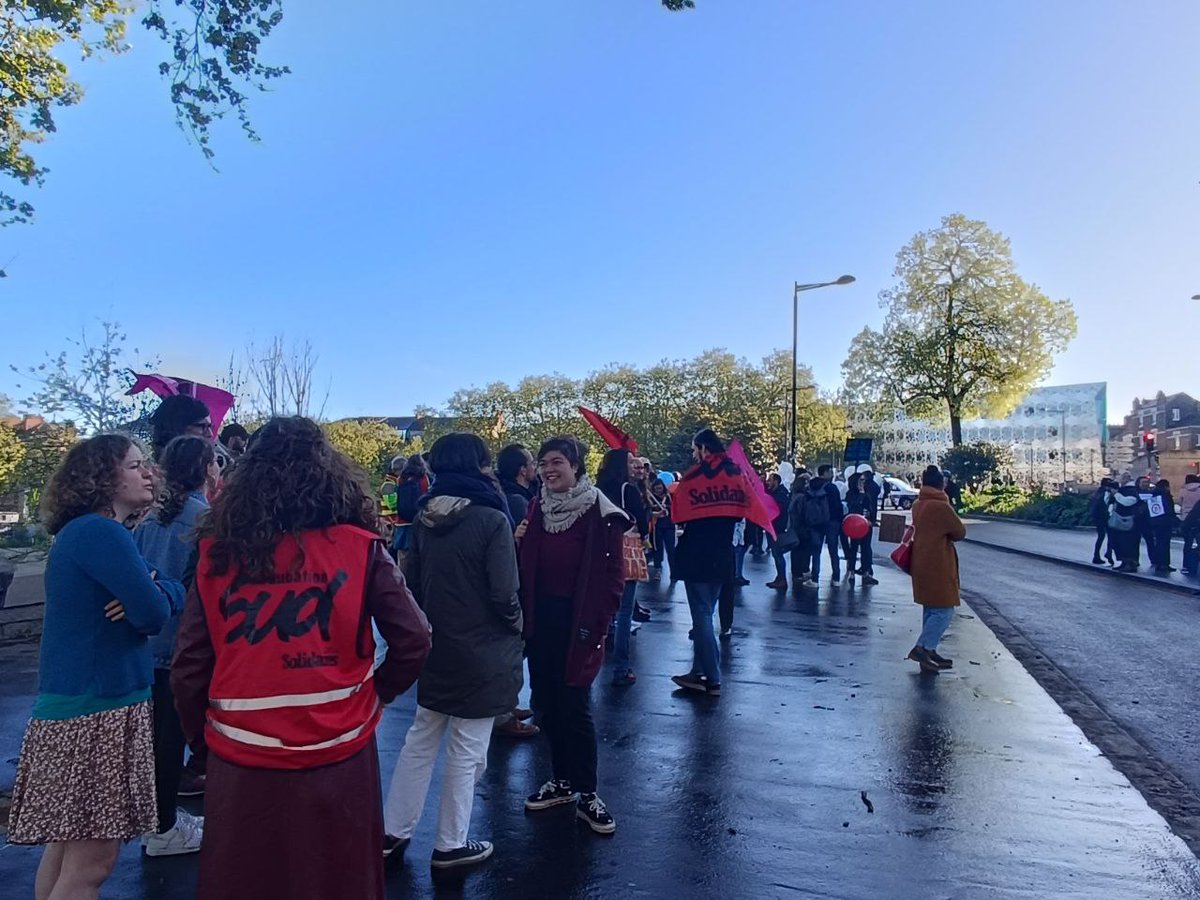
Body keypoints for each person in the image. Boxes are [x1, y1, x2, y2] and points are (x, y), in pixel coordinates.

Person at [171, 417, 432, 900]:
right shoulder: (361, 548)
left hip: (242, 756)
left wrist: (202, 744)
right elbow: (414, 637)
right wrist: (376, 695)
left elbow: (189, 665)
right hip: (341, 749)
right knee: (340, 877)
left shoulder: (216, 553)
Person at [8, 434, 186, 898]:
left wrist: (157, 589)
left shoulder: (89, 533)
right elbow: (150, 614)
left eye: (147, 463)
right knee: (92, 864)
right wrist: (155, 593)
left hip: (80, 707)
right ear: (102, 478)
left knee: (66, 852)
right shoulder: (101, 533)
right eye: (134, 466)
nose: (148, 472)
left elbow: (157, 594)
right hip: (97, 713)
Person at [382, 434, 523, 869]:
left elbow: (415, 584)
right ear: (478, 464)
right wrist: (519, 625)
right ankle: (450, 843)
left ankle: (392, 832)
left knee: (420, 739)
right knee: (468, 748)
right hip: (484, 650)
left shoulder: (425, 515)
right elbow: (505, 593)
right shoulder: (491, 519)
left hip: (438, 644)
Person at [517, 436, 625, 835]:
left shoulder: (599, 510)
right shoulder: (537, 508)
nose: (548, 469)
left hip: (580, 621)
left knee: (576, 704)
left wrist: (600, 621)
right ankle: (561, 781)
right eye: (543, 462)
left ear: (576, 466)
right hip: (541, 620)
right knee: (547, 702)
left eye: (557, 462)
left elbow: (615, 577)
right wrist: (518, 541)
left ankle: (588, 793)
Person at [133, 435, 220, 857]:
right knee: (172, 743)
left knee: (157, 743)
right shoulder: (204, 520)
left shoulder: (150, 520)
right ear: (207, 470)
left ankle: (159, 820)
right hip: (182, 646)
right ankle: (162, 829)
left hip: (146, 647)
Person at [669, 429, 740, 696]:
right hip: (722, 556)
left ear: (704, 449)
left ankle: (712, 678)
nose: (692, 454)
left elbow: (681, 515)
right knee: (706, 614)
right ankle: (698, 671)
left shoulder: (696, 479)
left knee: (701, 618)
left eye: (694, 449)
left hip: (698, 556)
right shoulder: (735, 475)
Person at [596, 447, 648, 686]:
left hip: (600, 551)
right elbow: (642, 520)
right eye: (629, 461)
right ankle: (621, 667)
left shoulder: (598, 490)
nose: (634, 464)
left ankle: (592, 661)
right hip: (625, 550)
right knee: (625, 611)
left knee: (601, 609)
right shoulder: (629, 489)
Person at [906, 466, 966, 674]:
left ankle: (929, 653)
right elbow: (959, 532)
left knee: (931, 608)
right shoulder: (941, 507)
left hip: (921, 560)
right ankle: (923, 648)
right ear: (942, 484)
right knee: (944, 609)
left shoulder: (918, 504)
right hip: (938, 562)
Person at [801, 465, 844, 586]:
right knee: (833, 551)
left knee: (816, 552)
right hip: (832, 523)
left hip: (815, 523)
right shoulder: (831, 488)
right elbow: (837, 506)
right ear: (825, 473)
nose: (832, 474)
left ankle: (815, 579)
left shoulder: (810, 486)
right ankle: (836, 578)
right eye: (830, 472)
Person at [393, 455, 431, 568]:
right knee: (420, 553)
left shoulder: (401, 479)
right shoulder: (425, 478)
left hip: (402, 522)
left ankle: (403, 580)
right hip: (420, 520)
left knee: (403, 555)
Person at [844, 473, 879, 586]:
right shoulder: (852, 494)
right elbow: (852, 507)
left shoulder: (867, 493)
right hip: (855, 524)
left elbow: (871, 508)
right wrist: (861, 495)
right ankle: (853, 571)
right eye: (860, 481)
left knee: (865, 548)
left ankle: (866, 571)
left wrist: (870, 518)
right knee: (854, 548)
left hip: (865, 524)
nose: (862, 483)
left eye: (863, 481)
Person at [1108, 479, 1147, 572]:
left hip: (1130, 522)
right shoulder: (1123, 491)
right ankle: (1124, 562)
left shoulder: (1131, 491)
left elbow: (1127, 502)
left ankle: (1130, 563)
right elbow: (1109, 503)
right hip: (1123, 522)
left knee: (1128, 543)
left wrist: (1116, 494)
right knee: (1121, 543)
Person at [497, 443, 538, 524]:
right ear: (523, 470)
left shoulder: (539, 489)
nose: (536, 468)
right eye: (533, 464)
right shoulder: (517, 503)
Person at [718, 519, 745, 639]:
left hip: (713, 548)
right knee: (726, 590)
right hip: (728, 548)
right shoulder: (733, 506)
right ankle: (726, 626)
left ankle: (702, 624)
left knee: (708, 592)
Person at [765, 473, 791, 589]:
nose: (768, 482)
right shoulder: (779, 493)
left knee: (777, 553)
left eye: (770, 480)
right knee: (777, 554)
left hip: (777, 527)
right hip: (775, 526)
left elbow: (776, 509)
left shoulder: (780, 495)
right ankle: (780, 577)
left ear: (776, 481)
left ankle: (782, 579)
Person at [647, 477, 676, 579]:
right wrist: (655, 513)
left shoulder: (668, 497)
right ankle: (658, 570)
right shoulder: (650, 498)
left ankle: (674, 573)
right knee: (657, 549)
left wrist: (667, 509)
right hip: (657, 526)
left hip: (669, 526)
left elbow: (674, 508)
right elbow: (648, 511)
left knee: (671, 549)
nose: (659, 491)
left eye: (660, 488)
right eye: (657, 489)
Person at [1151, 479, 1178, 575]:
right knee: (1165, 544)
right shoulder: (1165, 496)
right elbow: (1169, 510)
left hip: (1157, 522)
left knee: (1159, 543)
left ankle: (1160, 563)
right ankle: (1164, 564)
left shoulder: (1154, 495)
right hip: (1165, 522)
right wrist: (1174, 520)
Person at [1089, 478, 1118, 566]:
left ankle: (1096, 555)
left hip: (1097, 517)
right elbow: (1108, 504)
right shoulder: (1107, 493)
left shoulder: (1097, 492)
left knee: (1101, 536)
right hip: (1105, 517)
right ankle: (1108, 553)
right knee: (1111, 535)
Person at [1180, 474, 1200, 576]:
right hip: (1197, 519)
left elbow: (1181, 503)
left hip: (1186, 518)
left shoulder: (1183, 490)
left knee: (1187, 544)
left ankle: (1186, 565)